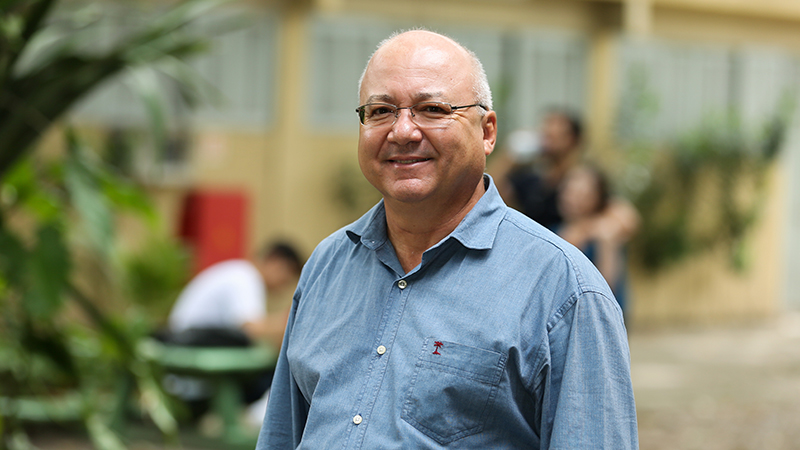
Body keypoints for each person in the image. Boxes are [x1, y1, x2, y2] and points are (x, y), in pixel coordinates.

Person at [257, 30, 638, 449]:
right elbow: (282, 434)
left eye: (432, 109)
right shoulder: (328, 265)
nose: (402, 131)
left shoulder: (563, 290)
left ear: (487, 131)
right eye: (381, 110)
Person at [167, 241, 304, 349]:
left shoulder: (240, 272)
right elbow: (251, 329)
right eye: (287, 276)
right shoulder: (246, 277)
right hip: (188, 352)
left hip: (188, 346)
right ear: (276, 263)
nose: (285, 285)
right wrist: (292, 320)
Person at [557, 164, 634, 313]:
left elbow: (608, 284)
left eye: (581, 193)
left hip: (598, 313)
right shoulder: (554, 230)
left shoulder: (606, 232)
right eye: (569, 190)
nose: (572, 199)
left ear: (597, 198)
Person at [491, 109, 584, 230]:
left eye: (555, 134)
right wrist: (510, 156)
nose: (548, 135)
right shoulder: (532, 180)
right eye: (546, 134)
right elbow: (489, 188)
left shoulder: (582, 182)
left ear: (572, 139)